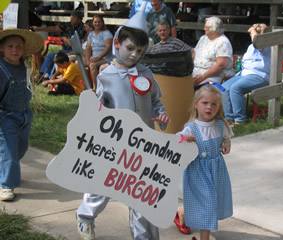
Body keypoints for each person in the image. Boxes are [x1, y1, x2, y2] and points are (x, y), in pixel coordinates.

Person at [76, 5, 170, 240]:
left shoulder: (146, 74)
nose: (134, 55)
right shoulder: (106, 76)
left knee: (141, 192)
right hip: (115, 143)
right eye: (130, 48)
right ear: (117, 43)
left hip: (144, 144)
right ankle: (85, 216)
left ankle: (143, 236)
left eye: (139, 51)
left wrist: (162, 115)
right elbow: (98, 110)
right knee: (105, 184)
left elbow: (157, 101)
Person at [177, 83, 233, 240]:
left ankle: (182, 213)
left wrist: (227, 143)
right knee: (207, 204)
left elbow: (226, 136)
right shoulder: (191, 128)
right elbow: (176, 140)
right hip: (198, 173)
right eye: (205, 103)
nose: (209, 107)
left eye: (214, 104)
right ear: (196, 104)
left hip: (216, 171)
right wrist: (184, 139)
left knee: (207, 203)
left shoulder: (220, 124)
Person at [0, 28, 44, 201]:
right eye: (10, 46)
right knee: (10, 151)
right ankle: (7, 185)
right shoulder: (1, 69)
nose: (14, 50)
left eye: (19, 46)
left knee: (20, 148)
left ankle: (6, 171)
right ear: (1, 48)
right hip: (6, 115)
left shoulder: (24, 65)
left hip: (25, 113)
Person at [222, 23, 271, 126]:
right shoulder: (251, 47)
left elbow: (260, 47)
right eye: (251, 36)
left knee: (236, 88)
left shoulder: (267, 46)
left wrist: (258, 38)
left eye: (253, 36)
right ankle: (229, 118)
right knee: (224, 88)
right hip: (244, 74)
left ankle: (240, 120)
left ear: (262, 36)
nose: (251, 38)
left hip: (259, 76)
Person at [30, 10, 86, 80]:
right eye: (72, 17)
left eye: (74, 18)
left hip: (74, 51)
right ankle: (44, 75)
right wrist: (39, 29)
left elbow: (80, 44)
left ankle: (52, 77)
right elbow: (54, 28)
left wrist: (67, 41)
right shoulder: (67, 25)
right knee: (49, 56)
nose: (72, 19)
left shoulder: (83, 29)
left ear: (79, 20)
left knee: (58, 57)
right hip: (64, 50)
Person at [193, 17, 234, 86]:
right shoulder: (203, 38)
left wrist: (203, 76)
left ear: (214, 29)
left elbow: (220, 65)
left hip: (213, 76)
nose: (204, 29)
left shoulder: (222, 42)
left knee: (203, 89)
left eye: (207, 27)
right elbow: (194, 54)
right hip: (196, 73)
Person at [85, 15, 113, 91]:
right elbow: (88, 48)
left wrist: (99, 57)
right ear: (93, 23)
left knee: (93, 65)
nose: (97, 24)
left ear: (102, 23)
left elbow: (108, 47)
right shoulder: (91, 34)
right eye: (95, 22)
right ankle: (84, 84)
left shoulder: (107, 33)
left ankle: (95, 87)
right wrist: (87, 59)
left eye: (99, 22)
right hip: (94, 57)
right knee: (79, 62)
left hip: (105, 58)